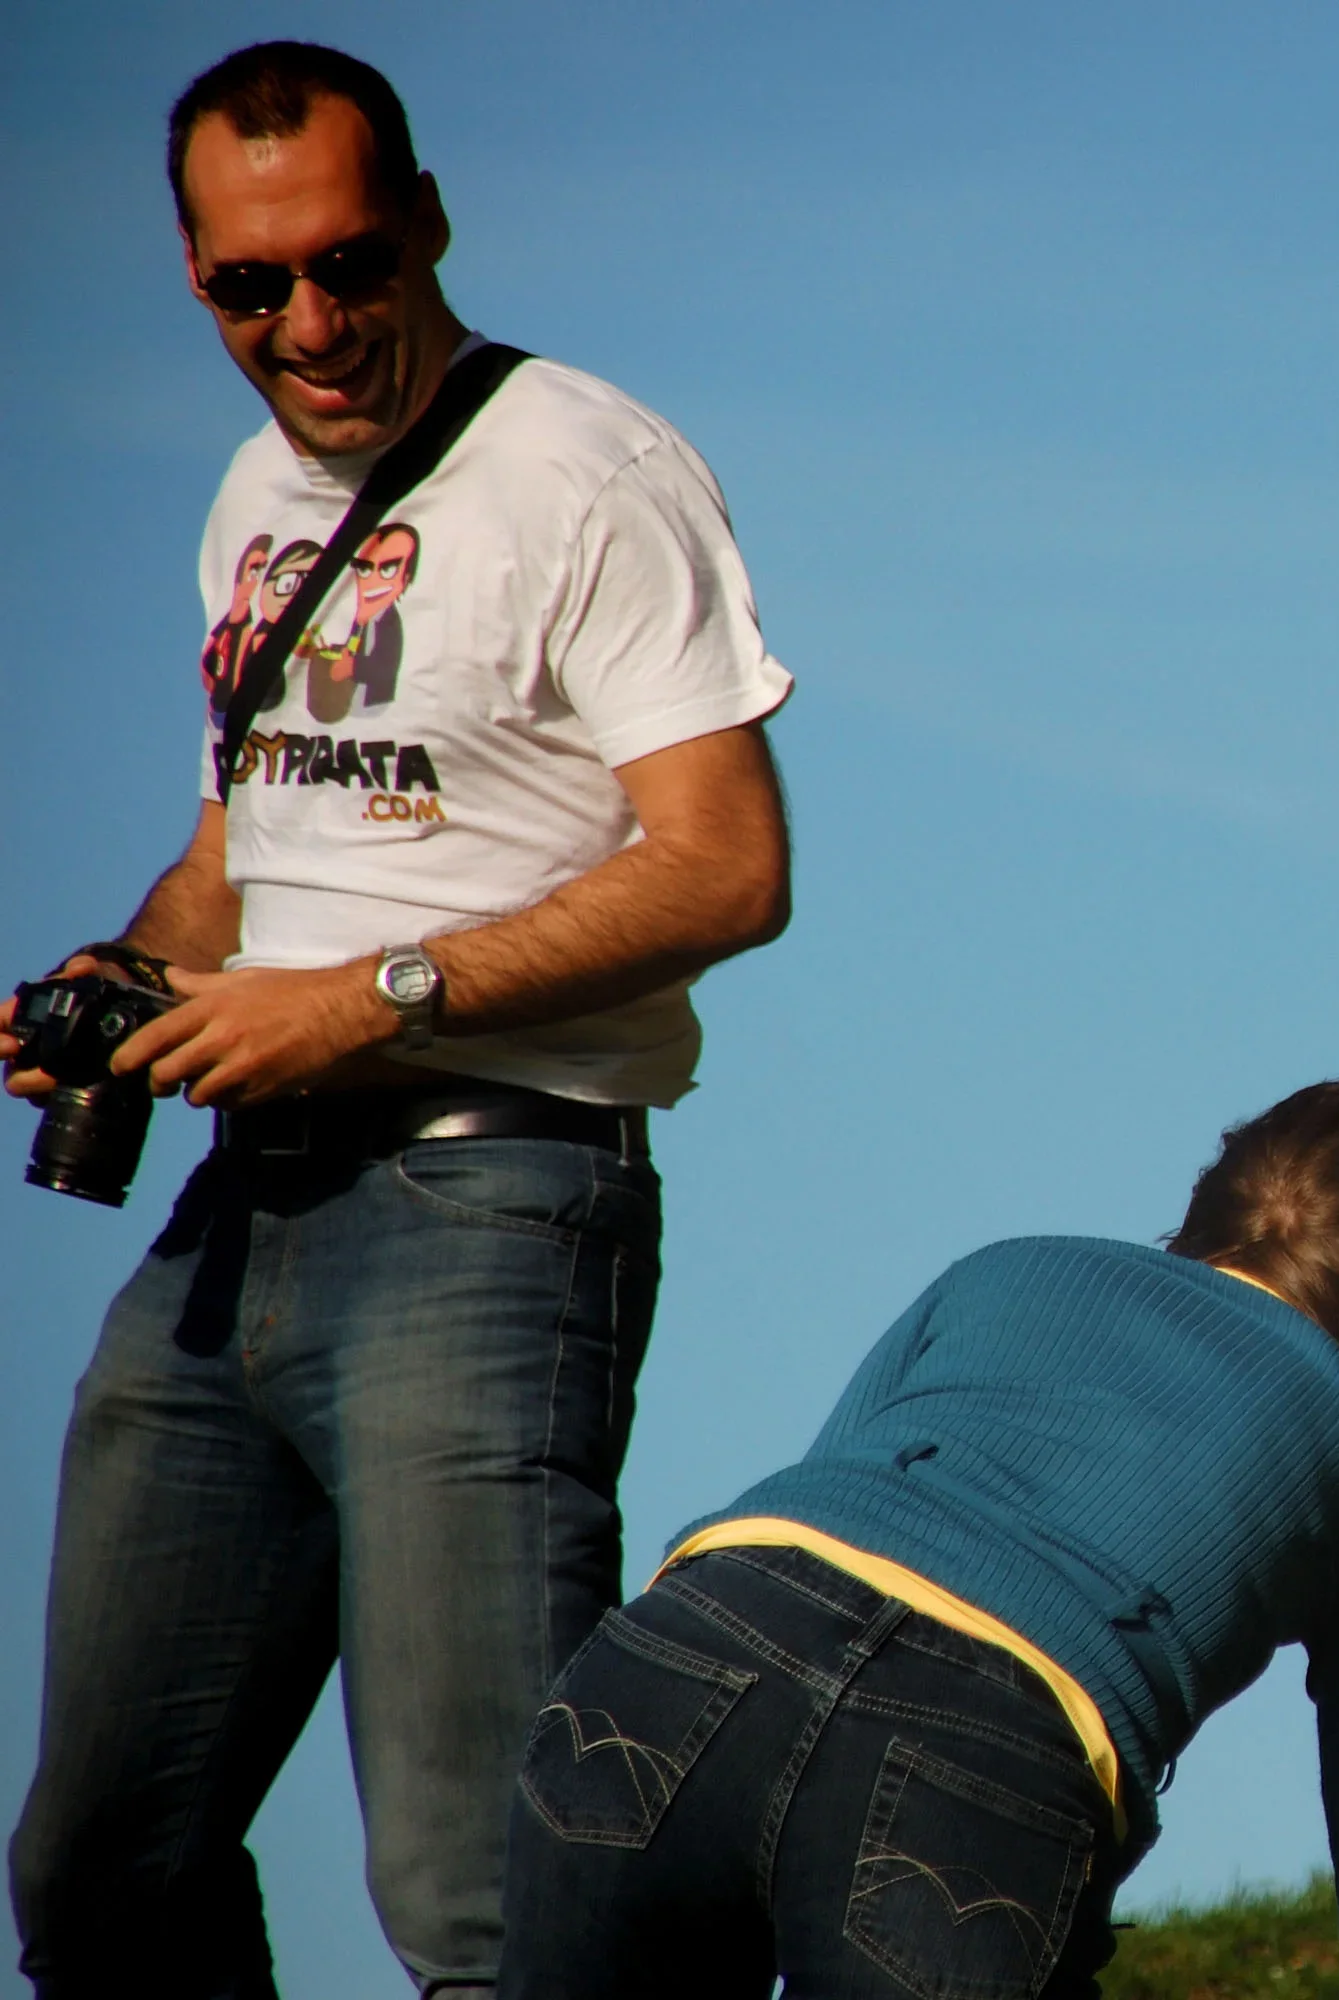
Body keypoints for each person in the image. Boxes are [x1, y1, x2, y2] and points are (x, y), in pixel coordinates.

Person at [6, 41, 794, 1999]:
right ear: (196, 276)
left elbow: (726, 868)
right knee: (99, 1867)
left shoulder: (585, 470)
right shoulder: (251, 498)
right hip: (236, 1216)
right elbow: (239, 852)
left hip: (487, 1207)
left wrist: (365, 1003)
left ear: (427, 224)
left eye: (350, 264)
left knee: (486, 1901)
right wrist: (117, 984)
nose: (309, 323)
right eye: (249, 284)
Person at [496, 971, 1339, 2000]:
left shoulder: (1007, 1265)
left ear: (1205, 1211)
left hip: (675, 1662)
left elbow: (829, 1504)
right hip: (980, 1755)